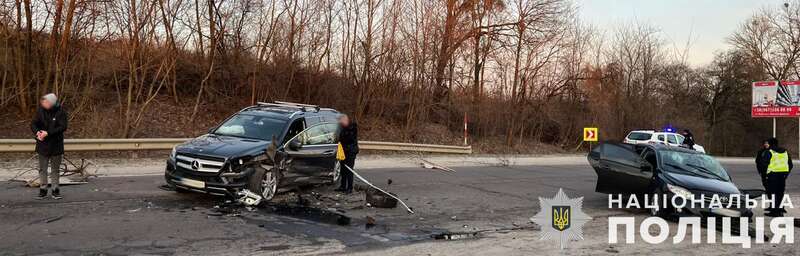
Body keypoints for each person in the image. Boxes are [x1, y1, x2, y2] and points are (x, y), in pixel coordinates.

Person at [30, 93, 68, 200]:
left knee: (55, 169)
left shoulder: (60, 112)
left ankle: (55, 190)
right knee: (43, 169)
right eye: (43, 101)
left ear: (52, 103)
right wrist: (37, 132)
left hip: (56, 144)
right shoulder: (40, 111)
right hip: (42, 145)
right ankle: (43, 190)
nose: (43, 103)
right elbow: (33, 124)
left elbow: (63, 127)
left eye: (46, 101)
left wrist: (48, 133)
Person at [762, 137, 792, 217]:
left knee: (773, 194)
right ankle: (780, 211)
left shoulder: (770, 152)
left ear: (770, 143)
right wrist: (786, 174)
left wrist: (766, 175)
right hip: (782, 176)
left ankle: (774, 212)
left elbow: (764, 165)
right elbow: (790, 165)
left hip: (772, 175)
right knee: (780, 193)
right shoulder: (785, 152)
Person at [336, 114, 358, 194]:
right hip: (343, 152)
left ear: (346, 120)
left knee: (349, 170)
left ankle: (349, 188)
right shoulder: (342, 127)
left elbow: (349, 139)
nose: (340, 123)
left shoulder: (352, 128)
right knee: (343, 170)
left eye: (342, 121)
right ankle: (342, 186)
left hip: (351, 151)